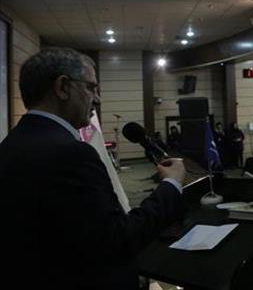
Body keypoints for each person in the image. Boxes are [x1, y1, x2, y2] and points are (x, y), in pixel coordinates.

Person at [0, 48, 185, 290]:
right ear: (63, 87)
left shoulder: (9, 145)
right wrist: (171, 185)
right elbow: (117, 241)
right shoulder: (72, 154)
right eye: (91, 88)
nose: (97, 99)